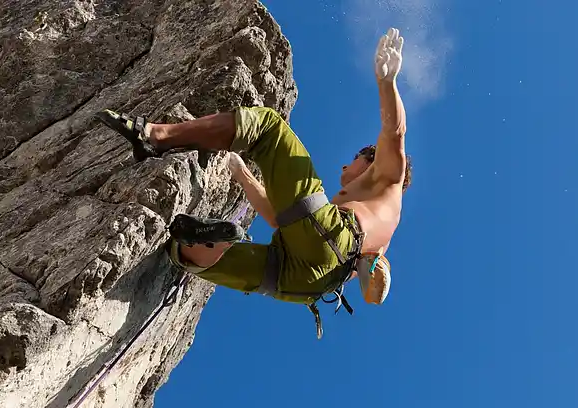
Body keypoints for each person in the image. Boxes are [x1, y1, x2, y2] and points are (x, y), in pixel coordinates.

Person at [94, 28, 412, 337]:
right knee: (185, 257)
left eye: (358, 155)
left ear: (372, 159)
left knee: (269, 129)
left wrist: (387, 83)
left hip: (331, 237)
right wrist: (241, 171)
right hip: (308, 284)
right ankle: (205, 240)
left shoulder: (388, 179)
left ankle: (156, 136)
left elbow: (394, 134)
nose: (347, 162)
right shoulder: (377, 225)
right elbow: (279, 219)